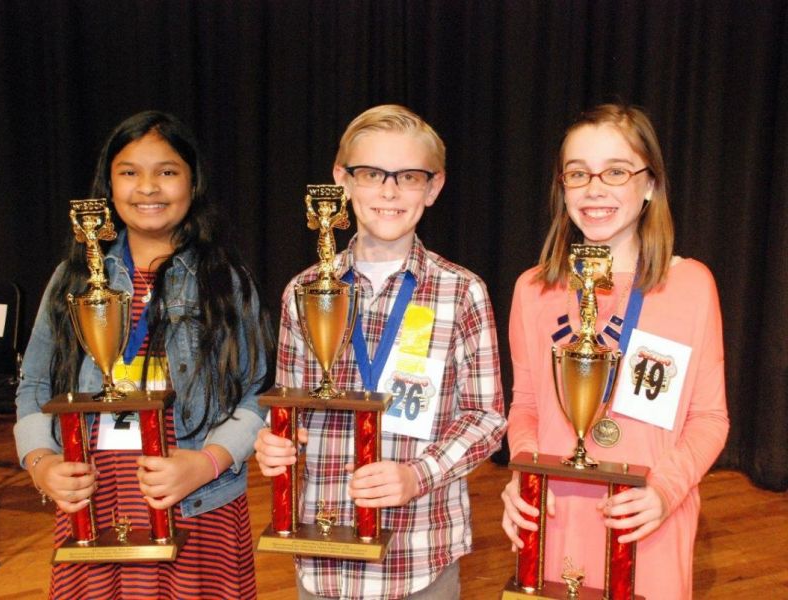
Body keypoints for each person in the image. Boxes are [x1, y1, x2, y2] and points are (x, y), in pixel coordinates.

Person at [14, 111, 274, 599]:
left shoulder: (226, 282)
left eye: (167, 171)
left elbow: (257, 393)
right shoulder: (71, 281)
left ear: (192, 182)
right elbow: (33, 386)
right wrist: (42, 463)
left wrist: (208, 463)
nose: (148, 187)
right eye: (129, 172)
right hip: (96, 502)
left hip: (198, 502)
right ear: (108, 185)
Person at [255, 104, 507, 599]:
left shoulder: (462, 292)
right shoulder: (302, 291)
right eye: (371, 174)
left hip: (417, 556)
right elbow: (290, 402)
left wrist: (418, 475)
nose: (389, 192)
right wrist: (274, 439)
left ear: (433, 187)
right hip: (323, 556)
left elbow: (486, 418)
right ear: (342, 180)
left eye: (408, 176)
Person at [500, 103, 729, 599]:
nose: (594, 188)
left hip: (646, 523)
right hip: (554, 516)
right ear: (562, 188)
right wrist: (524, 474)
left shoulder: (690, 284)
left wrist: (666, 490)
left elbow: (711, 418)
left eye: (617, 171)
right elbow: (527, 407)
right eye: (578, 173)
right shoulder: (531, 289)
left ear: (649, 185)